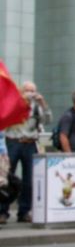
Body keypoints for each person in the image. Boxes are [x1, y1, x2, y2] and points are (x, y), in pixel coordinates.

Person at [1, 82, 51, 223]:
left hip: (30, 143)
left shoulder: (36, 107)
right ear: (21, 92)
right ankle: (2, 212)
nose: (30, 93)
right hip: (13, 142)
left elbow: (48, 120)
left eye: (33, 90)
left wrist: (43, 103)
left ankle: (24, 212)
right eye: (27, 90)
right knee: (6, 178)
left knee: (29, 179)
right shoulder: (13, 104)